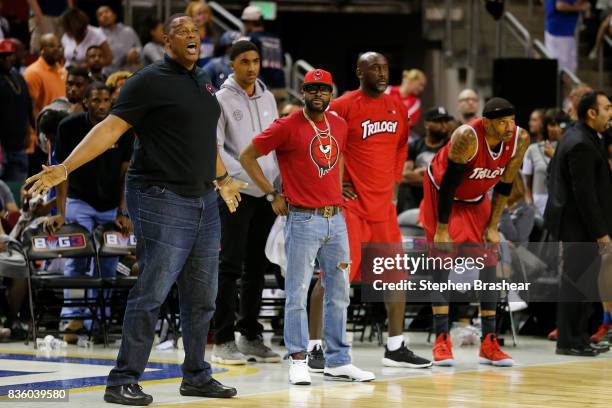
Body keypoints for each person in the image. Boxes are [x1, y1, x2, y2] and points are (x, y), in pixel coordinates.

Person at [26, 14, 245, 405]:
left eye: (195, 31)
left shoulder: (203, 80)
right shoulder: (148, 80)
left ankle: (196, 374)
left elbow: (202, 141)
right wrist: (64, 167)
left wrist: (224, 179)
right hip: (160, 196)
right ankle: (122, 379)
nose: (191, 36)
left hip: (203, 199)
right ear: (166, 40)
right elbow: (110, 129)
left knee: (203, 295)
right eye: (182, 32)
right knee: (153, 290)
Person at [240, 68, 375, 385]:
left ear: (331, 93)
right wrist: (271, 193)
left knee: (339, 291)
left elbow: (337, 156)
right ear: (303, 92)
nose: (318, 94)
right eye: (312, 89)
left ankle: (338, 360)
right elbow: (248, 156)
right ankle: (298, 359)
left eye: (323, 89)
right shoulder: (287, 125)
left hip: (336, 220)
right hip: (301, 219)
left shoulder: (339, 125)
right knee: (297, 292)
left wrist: (337, 184)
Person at [310, 52, 432, 371]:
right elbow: (320, 143)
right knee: (335, 278)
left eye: (385, 68)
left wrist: (393, 184)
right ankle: (313, 348)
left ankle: (395, 347)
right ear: (359, 71)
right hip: (350, 208)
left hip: (383, 209)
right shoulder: (344, 105)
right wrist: (334, 186)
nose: (381, 73)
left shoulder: (398, 107)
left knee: (396, 278)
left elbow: (402, 146)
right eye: (374, 68)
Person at [420, 97, 530, 366]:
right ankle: (441, 339)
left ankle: (489, 342)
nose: (509, 127)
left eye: (512, 121)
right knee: (443, 258)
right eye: (502, 122)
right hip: (443, 194)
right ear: (487, 123)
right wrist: (443, 230)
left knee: (489, 257)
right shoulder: (467, 137)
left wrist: (493, 225)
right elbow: (448, 186)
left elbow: (505, 185)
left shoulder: (520, 139)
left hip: (476, 197)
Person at [44, 82, 133, 342]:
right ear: (86, 103)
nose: (101, 105)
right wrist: (60, 212)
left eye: (106, 100)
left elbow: (125, 174)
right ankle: (73, 320)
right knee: (77, 260)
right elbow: (61, 172)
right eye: (95, 100)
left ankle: (99, 324)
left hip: (109, 205)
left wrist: (123, 211)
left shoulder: (123, 129)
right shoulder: (69, 127)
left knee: (107, 265)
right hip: (79, 200)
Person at [211, 40, 280, 365]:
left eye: (255, 61)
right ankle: (223, 339)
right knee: (230, 266)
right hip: (235, 192)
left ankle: (250, 335)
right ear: (232, 64)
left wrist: (275, 181)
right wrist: (244, 176)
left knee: (256, 267)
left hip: (267, 193)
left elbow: (276, 142)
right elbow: (216, 148)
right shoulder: (221, 99)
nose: (251, 67)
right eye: (244, 62)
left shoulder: (268, 97)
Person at [545, 91, 612, 356]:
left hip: (577, 223)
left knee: (583, 281)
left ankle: (580, 337)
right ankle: (570, 341)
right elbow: (584, 194)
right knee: (576, 282)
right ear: (592, 113)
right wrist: (601, 233)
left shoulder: (581, 135)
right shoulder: (581, 143)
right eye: (607, 108)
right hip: (579, 225)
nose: (611, 113)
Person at [397, 106, 453, 213]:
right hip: (414, 205)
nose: (444, 125)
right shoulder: (414, 145)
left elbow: (448, 180)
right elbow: (404, 176)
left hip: (441, 205)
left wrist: (422, 172)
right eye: (439, 121)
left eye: (446, 121)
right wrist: (434, 177)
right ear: (427, 124)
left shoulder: (451, 146)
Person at [523, 108, 569, 216]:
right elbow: (525, 182)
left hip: (562, 204)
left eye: (560, 124)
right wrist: (529, 203)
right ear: (546, 127)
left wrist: (554, 156)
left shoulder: (569, 149)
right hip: (538, 205)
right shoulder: (532, 149)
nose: (556, 129)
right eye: (552, 124)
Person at [0, 39, 32, 184]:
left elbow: (26, 108)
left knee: (16, 194)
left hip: (19, 146)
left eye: (10, 55)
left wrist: (28, 132)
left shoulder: (19, 77)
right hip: (2, 149)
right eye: (3, 55)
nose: (7, 58)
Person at [241, 5, 286, 102]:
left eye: (245, 22)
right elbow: (283, 61)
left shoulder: (251, 39)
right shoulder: (275, 38)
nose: (244, 25)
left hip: (262, 88)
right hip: (281, 86)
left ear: (250, 22)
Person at [23, 33, 67, 118]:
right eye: (51, 46)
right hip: (43, 127)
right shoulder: (32, 73)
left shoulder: (63, 71)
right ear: (42, 49)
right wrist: (38, 129)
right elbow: (30, 108)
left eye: (59, 46)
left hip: (60, 126)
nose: (56, 49)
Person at [544, 0, 591, 74]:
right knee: (562, 67)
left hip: (566, 32)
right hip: (560, 32)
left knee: (570, 67)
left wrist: (580, 4)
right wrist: (580, 8)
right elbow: (560, 5)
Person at [96, 5, 141, 72]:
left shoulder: (128, 31)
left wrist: (136, 52)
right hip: (104, 74)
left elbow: (140, 49)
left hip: (127, 72)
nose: (104, 15)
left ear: (114, 15)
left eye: (107, 12)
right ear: (98, 20)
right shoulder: (96, 34)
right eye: (100, 14)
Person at [185, 1, 216, 67]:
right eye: (198, 13)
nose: (202, 16)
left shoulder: (215, 35)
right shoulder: (187, 37)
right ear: (191, 16)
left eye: (205, 12)